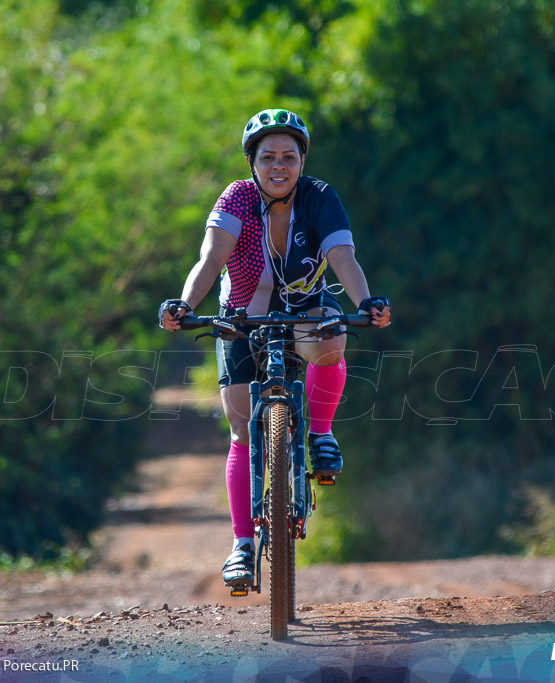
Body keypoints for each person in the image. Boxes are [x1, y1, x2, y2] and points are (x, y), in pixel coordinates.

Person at [159, 109, 391, 588]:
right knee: (243, 430)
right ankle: (242, 545)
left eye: (289, 156)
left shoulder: (320, 197)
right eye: (268, 157)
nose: (279, 166)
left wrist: (366, 301)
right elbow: (210, 259)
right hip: (243, 315)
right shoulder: (237, 199)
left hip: (304, 306)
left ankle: (320, 434)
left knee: (332, 336)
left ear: (302, 160)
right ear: (252, 163)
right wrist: (183, 305)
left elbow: (341, 257)